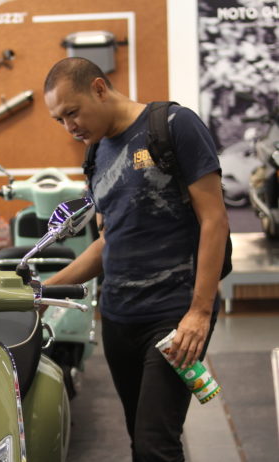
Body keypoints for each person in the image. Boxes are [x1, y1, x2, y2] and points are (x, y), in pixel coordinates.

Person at [43, 57, 229, 461]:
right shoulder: (95, 154)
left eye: (72, 112)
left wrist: (200, 311)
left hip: (173, 316)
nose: (69, 126)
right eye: (60, 120)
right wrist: (44, 290)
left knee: (155, 445)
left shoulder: (174, 125)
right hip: (118, 319)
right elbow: (108, 241)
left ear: (98, 88)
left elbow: (214, 220)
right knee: (139, 440)